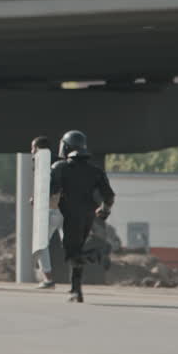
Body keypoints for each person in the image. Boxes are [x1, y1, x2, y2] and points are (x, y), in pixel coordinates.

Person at [50, 130, 114, 303]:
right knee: (76, 251)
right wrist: (105, 210)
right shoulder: (95, 170)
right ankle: (76, 290)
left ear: (66, 146)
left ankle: (98, 253)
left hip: (68, 214)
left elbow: (52, 190)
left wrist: (40, 201)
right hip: (87, 215)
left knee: (72, 254)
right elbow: (109, 195)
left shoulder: (60, 167)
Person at [29, 136, 62, 290]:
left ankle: (48, 279)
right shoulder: (62, 162)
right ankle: (77, 280)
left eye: (33, 148)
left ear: (40, 148)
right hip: (65, 210)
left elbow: (48, 186)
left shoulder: (43, 162)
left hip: (50, 210)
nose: (31, 151)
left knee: (41, 245)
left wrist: (37, 199)